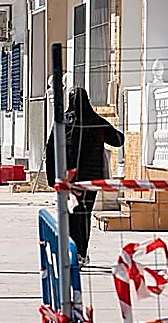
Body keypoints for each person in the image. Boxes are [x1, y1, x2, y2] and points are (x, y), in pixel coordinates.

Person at [45, 87, 124, 264]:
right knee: (85, 214)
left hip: (69, 179)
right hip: (91, 179)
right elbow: (119, 140)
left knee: (71, 213)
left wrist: (52, 178)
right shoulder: (96, 122)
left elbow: (50, 150)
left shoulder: (62, 122)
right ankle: (81, 252)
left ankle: (71, 250)